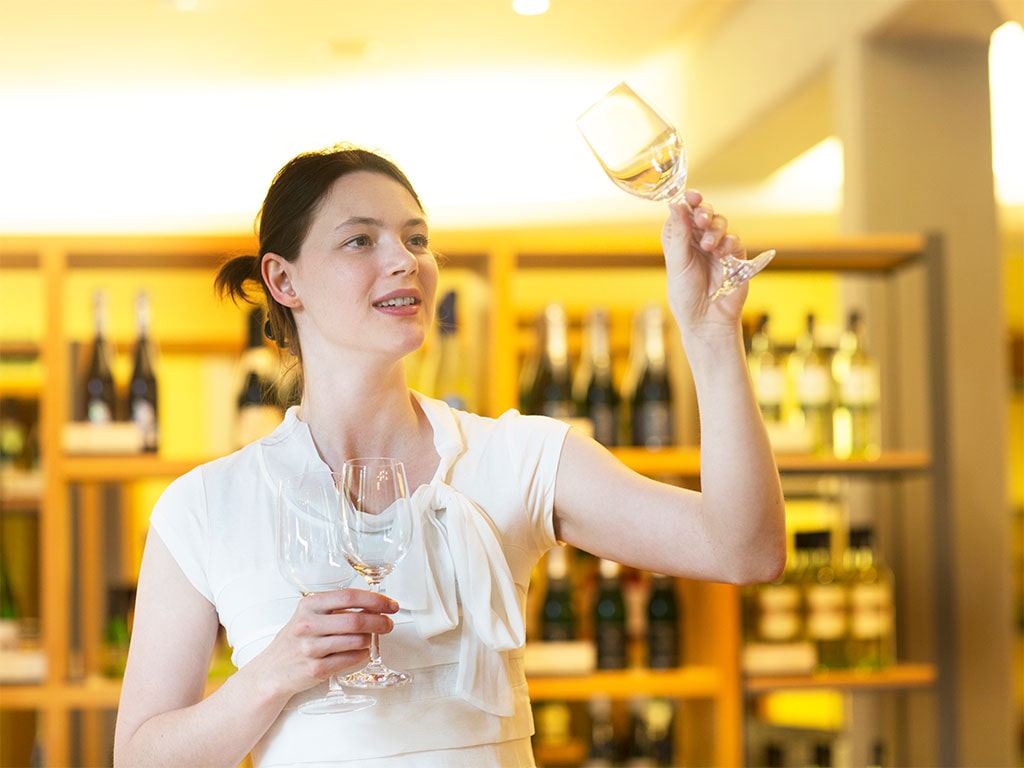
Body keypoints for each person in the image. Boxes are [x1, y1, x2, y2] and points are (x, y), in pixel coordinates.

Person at [113, 144, 785, 767]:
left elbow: (746, 550)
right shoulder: (205, 506)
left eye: (416, 239)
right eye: (361, 239)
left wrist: (711, 336)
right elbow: (139, 758)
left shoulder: (517, 459)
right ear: (283, 280)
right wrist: (271, 674)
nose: (406, 259)